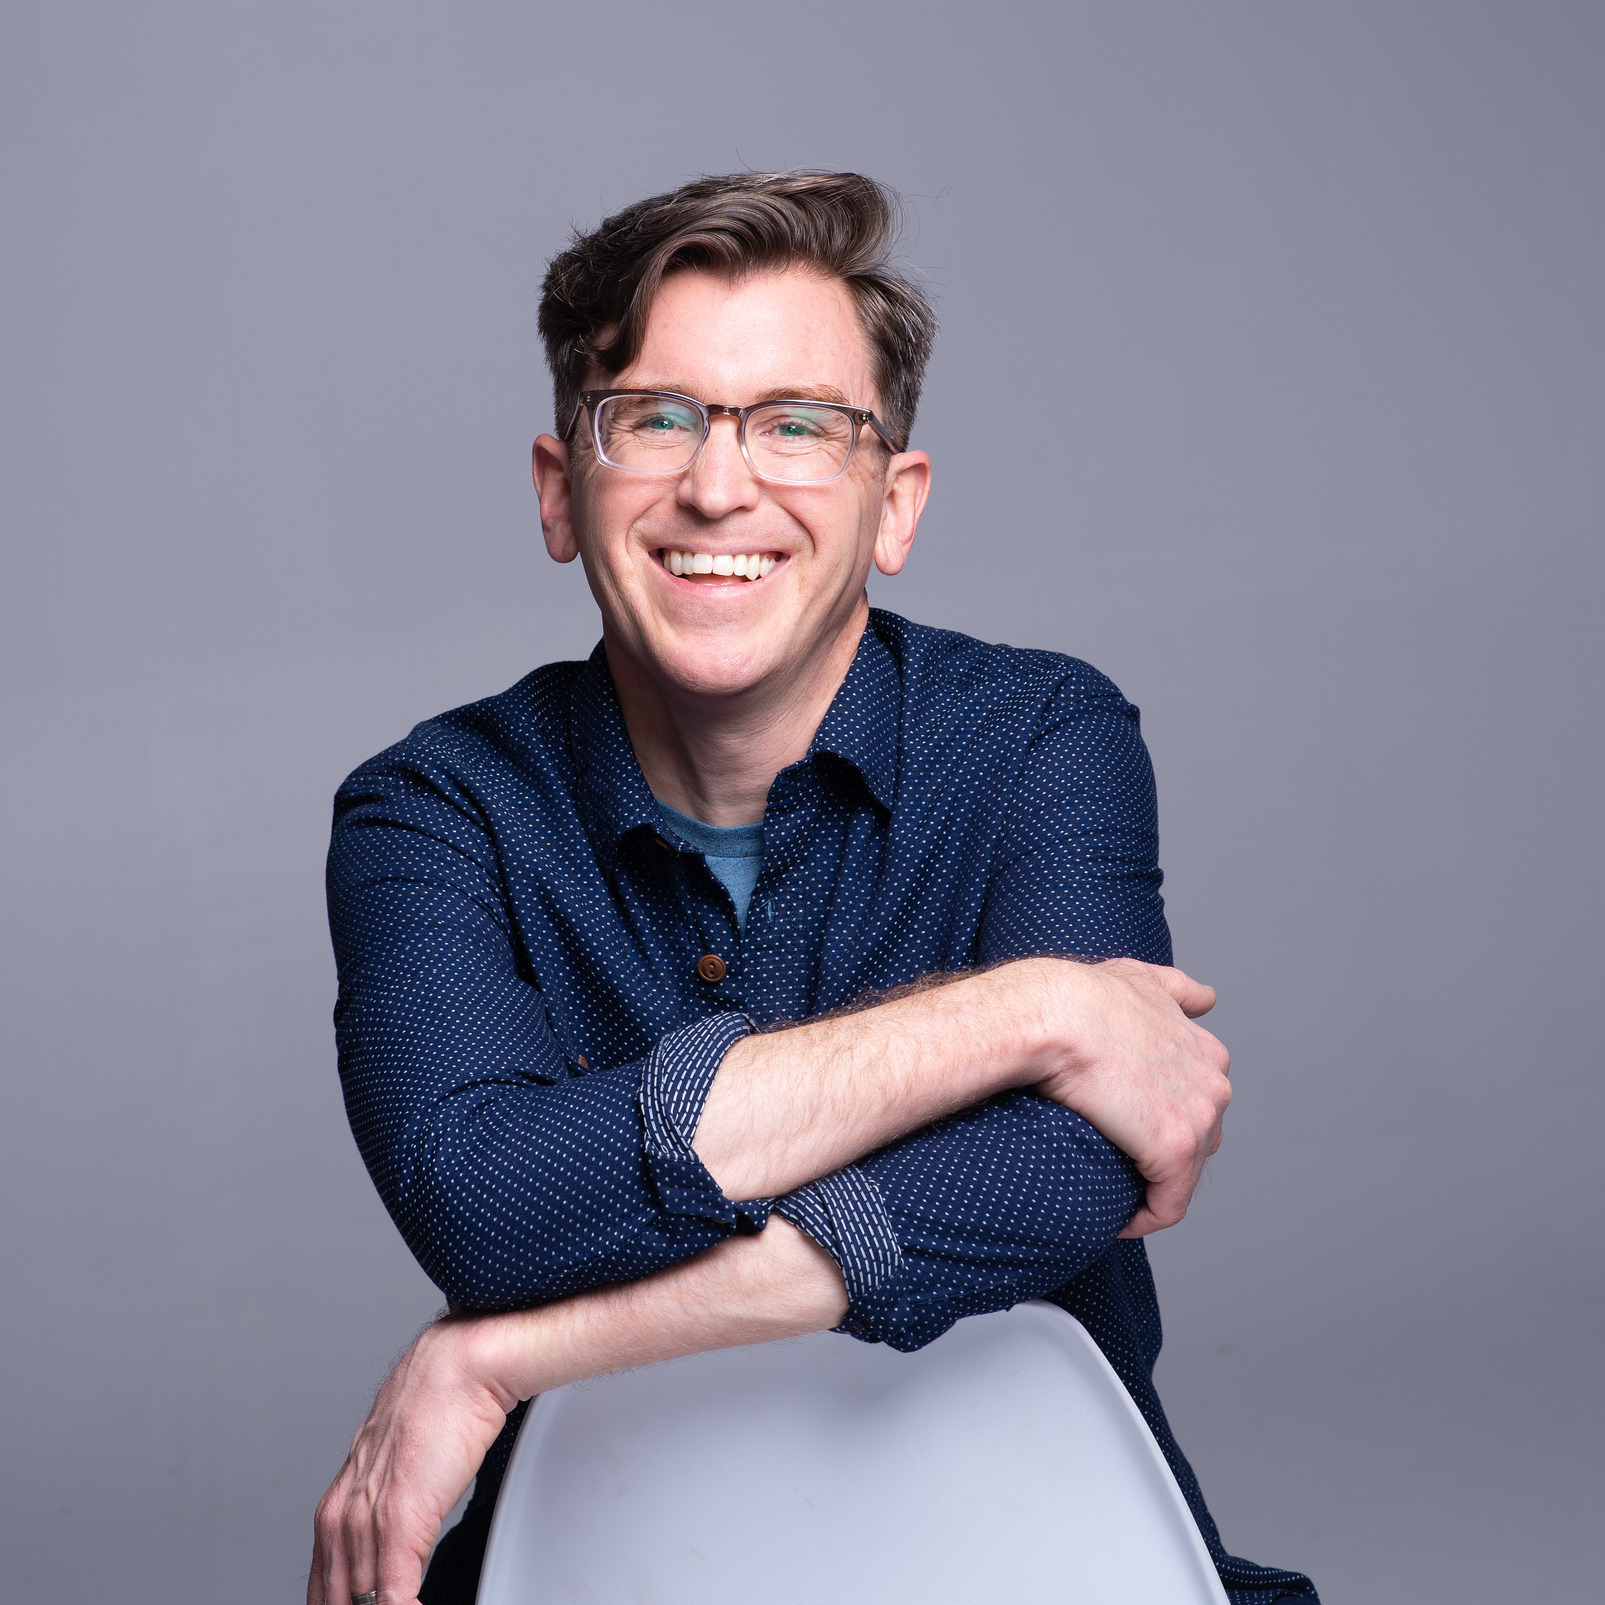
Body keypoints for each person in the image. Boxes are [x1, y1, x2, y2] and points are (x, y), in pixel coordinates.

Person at [309, 171, 1318, 1605]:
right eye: (655, 418)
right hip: (598, 1567)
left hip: (1045, 1554)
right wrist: (1032, 1012)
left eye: (798, 425)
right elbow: (488, 1201)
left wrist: (507, 1355)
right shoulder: (432, 810)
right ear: (558, 490)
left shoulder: (1039, 735)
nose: (719, 486)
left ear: (892, 505)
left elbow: (1065, 1173)